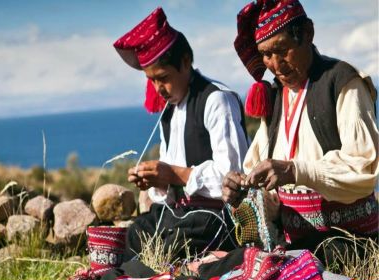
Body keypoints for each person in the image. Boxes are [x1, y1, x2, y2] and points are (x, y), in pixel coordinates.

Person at [222, 0, 378, 256]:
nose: (274, 64)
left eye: (281, 49)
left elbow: (364, 169)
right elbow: (270, 197)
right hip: (296, 245)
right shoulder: (275, 98)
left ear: (307, 33)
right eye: (265, 54)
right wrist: (243, 191)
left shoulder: (343, 83)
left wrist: (296, 170)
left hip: (347, 242)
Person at [113, 7, 249, 260]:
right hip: (181, 215)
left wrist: (174, 174)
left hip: (217, 219)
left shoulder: (217, 100)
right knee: (133, 235)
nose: (158, 89)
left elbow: (236, 179)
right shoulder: (169, 110)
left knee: (171, 246)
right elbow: (171, 187)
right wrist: (157, 181)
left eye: (163, 78)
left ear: (185, 62)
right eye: (151, 80)